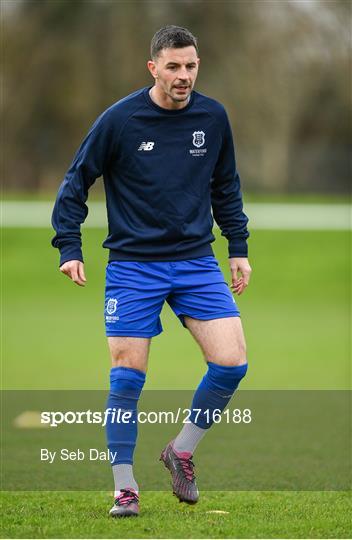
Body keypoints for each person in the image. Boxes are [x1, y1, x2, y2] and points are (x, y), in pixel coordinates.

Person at [51, 25, 251, 518]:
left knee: (232, 363)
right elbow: (76, 182)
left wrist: (238, 247)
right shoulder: (120, 121)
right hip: (133, 267)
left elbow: (225, 187)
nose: (184, 75)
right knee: (127, 377)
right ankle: (125, 488)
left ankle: (180, 450)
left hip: (195, 262)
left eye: (191, 66)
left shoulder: (213, 116)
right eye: (174, 66)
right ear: (153, 68)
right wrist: (69, 246)